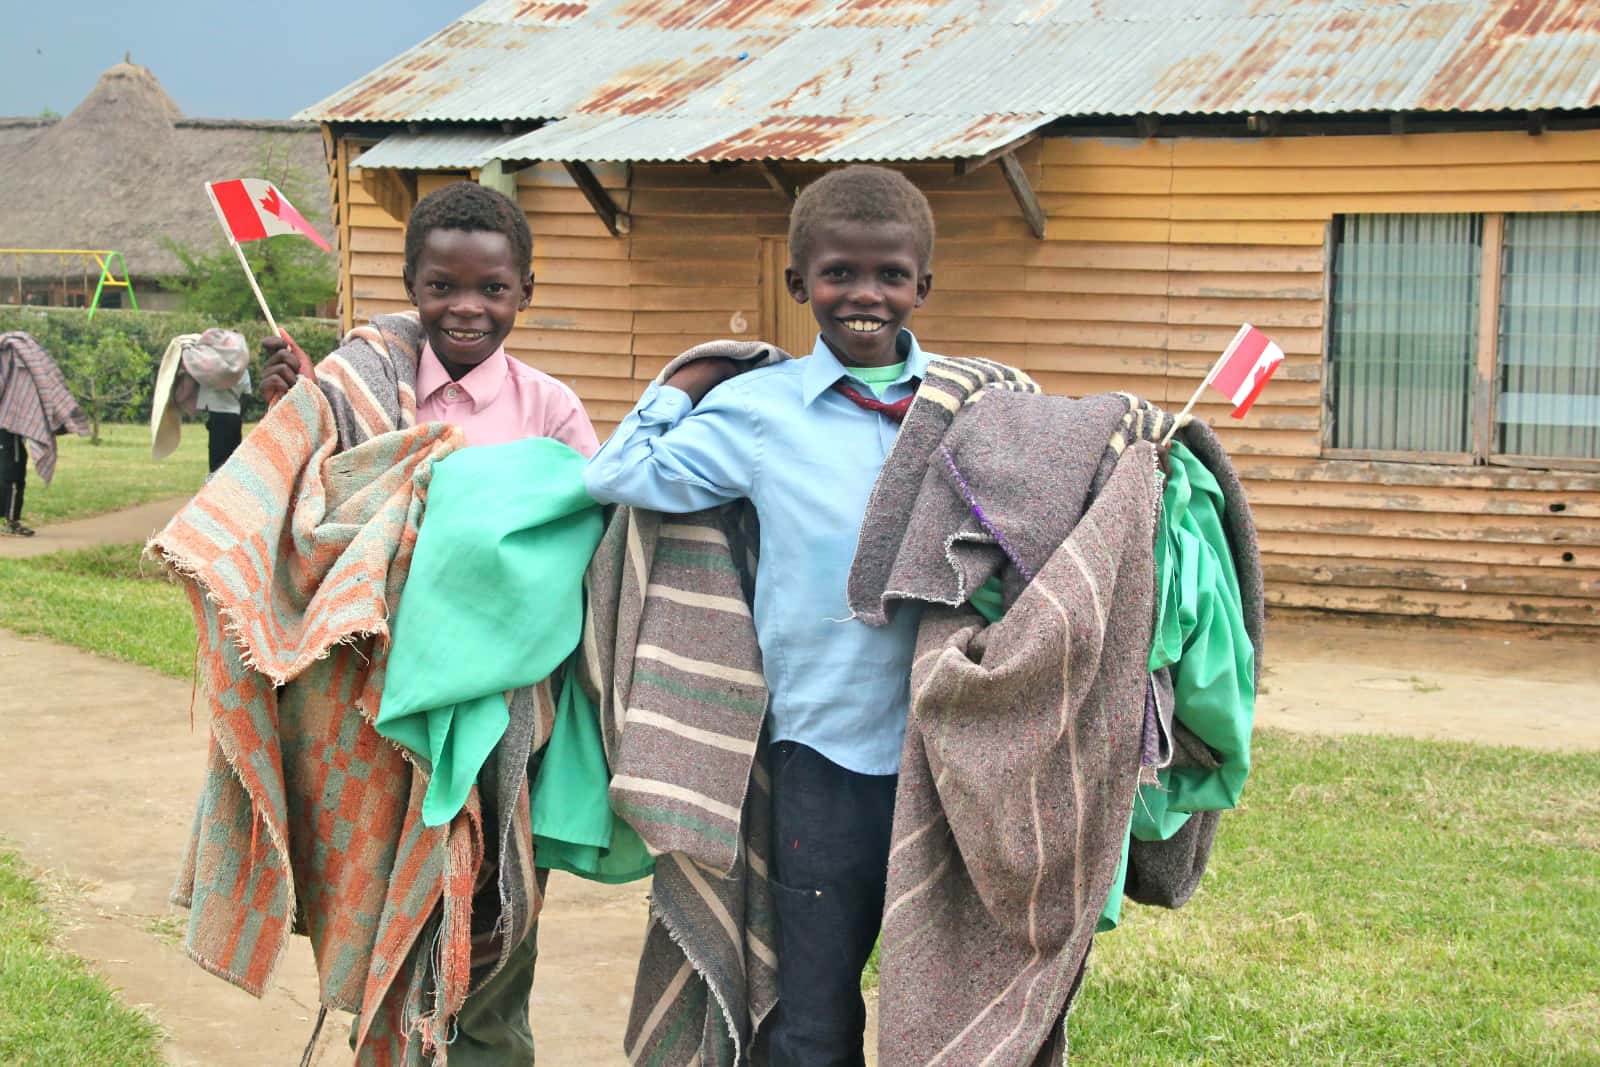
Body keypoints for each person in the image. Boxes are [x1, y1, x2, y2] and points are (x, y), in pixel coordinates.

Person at [584, 164, 938, 1065]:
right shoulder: (754, 411)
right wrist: (690, 378)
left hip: (945, 754)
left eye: (890, 276)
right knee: (813, 1010)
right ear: (798, 284)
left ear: (922, 287)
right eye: (839, 274)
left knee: (943, 991)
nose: (865, 296)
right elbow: (619, 475)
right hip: (818, 753)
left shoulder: (968, 409)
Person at [261, 179, 598, 1063]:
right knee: (389, 919)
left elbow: (580, 546)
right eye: (443, 285)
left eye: (493, 288)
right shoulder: (363, 393)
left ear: (526, 289)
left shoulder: (551, 410)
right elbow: (306, 517)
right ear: (412, 283)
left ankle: (487, 1043)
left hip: (503, 716)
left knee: (494, 927)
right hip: (380, 708)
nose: (467, 307)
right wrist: (293, 415)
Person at [0, 331, 89, 536]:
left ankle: (10, 520)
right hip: (7, 425)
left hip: (8, 422)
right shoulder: (11, 354)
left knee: (11, 468)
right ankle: (11, 523)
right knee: (13, 470)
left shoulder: (12, 352)